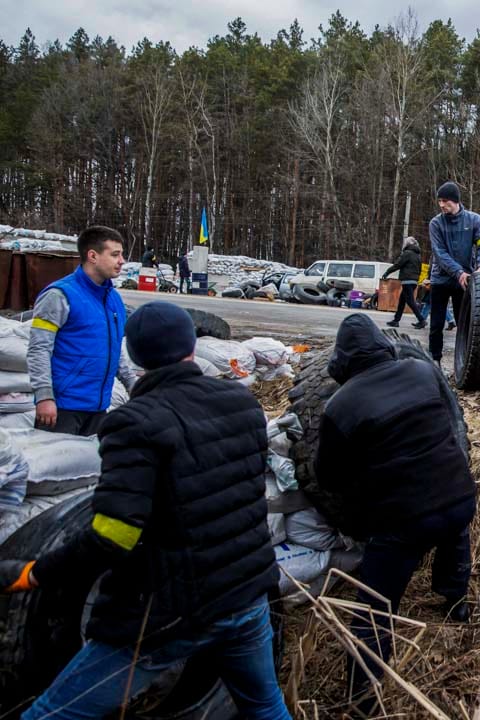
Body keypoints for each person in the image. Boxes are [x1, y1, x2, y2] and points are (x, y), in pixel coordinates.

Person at [2, 302, 289, 719]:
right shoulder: (241, 403)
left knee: (51, 714)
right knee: (264, 705)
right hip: (247, 592)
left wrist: (35, 573)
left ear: (134, 356)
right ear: (192, 345)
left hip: (170, 612)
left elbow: (114, 535)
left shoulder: (134, 422)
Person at [314, 314, 476, 709]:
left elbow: (328, 478)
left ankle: (362, 699)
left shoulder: (340, 405)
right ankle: (457, 602)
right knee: (452, 533)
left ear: (341, 363)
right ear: (384, 346)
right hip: (460, 496)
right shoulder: (422, 370)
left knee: (375, 607)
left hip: (406, 520)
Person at [27, 225, 137, 436]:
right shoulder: (60, 295)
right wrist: (44, 397)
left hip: (98, 410)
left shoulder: (113, 299)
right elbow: (38, 349)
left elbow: (114, 349)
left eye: (121, 255)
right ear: (93, 256)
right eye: (115, 255)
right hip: (62, 409)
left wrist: (133, 385)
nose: (122, 261)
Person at [427, 181, 480, 362]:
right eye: (439, 201)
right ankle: (434, 361)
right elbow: (440, 254)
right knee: (436, 324)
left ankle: (463, 361)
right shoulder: (436, 224)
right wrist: (458, 272)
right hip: (441, 279)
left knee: (465, 325)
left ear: (455, 201)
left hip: (464, 281)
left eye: (445, 201)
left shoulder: (474, 220)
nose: (441, 205)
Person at [383, 236, 426, 329]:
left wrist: (387, 272)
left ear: (407, 244)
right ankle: (396, 321)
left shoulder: (407, 253)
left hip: (407, 281)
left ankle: (422, 320)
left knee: (410, 301)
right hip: (414, 281)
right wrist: (417, 280)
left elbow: (398, 264)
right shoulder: (418, 255)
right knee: (402, 301)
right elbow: (419, 269)